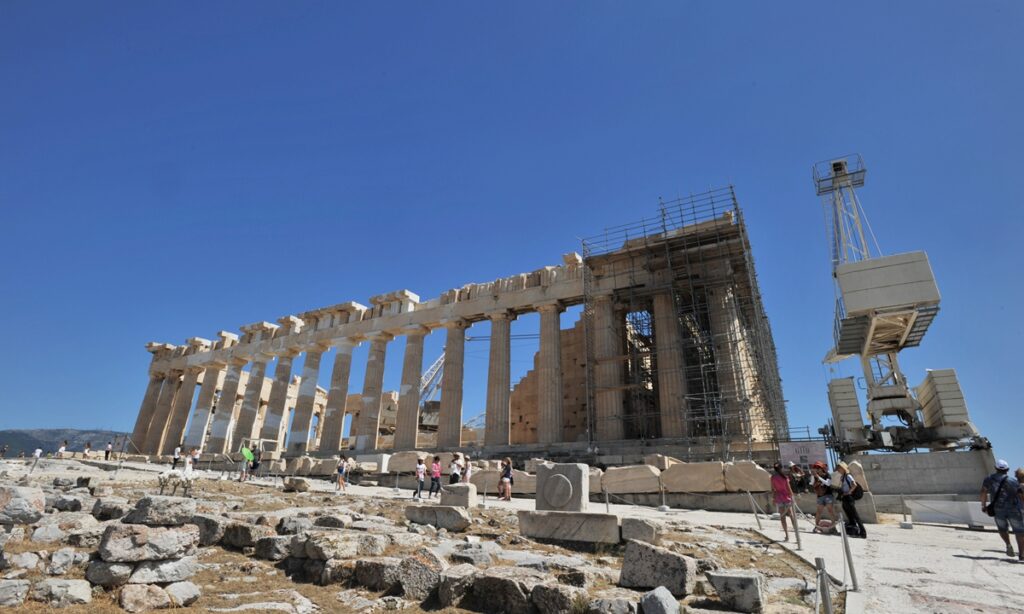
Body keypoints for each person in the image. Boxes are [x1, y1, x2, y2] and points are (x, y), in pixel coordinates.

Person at [980, 459, 1024, 560]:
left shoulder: (988, 479)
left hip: (998, 509)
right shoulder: (1013, 481)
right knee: (1020, 532)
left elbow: (983, 492)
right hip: (1014, 509)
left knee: (1002, 529)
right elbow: (1021, 496)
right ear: (1007, 469)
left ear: (996, 468)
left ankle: (1008, 545)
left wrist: (983, 505)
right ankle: (1021, 555)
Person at [836, 461, 867, 539]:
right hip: (845, 498)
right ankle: (854, 530)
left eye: (839, 468)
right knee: (849, 515)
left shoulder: (848, 476)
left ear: (843, 468)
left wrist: (848, 492)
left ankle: (863, 533)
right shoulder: (842, 477)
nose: (838, 469)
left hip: (849, 497)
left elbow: (854, 485)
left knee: (855, 516)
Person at [771, 462, 795, 541]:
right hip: (787, 497)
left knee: (782, 517)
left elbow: (773, 489)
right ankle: (796, 534)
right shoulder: (784, 477)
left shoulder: (773, 477)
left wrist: (774, 499)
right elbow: (789, 488)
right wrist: (792, 497)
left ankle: (787, 536)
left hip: (779, 498)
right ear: (781, 468)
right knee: (791, 515)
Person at [811, 461, 837, 528]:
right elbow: (811, 484)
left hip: (828, 495)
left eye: (818, 468)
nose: (816, 469)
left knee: (830, 511)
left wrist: (818, 477)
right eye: (815, 468)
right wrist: (813, 476)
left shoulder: (827, 475)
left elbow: (828, 483)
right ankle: (816, 526)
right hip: (820, 496)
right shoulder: (815, 476)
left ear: (821, 468)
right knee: (819, 512)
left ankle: (833, 527)